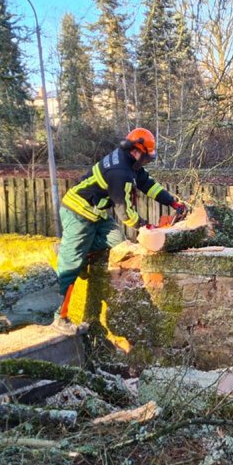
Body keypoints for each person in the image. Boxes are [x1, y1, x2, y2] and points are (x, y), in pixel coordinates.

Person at [52, 128, 188, 328]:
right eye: (146, 158)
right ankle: (59, 317)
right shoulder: (120, 172)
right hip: (78, 213)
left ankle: (76, 251)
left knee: (118, 243)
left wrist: (173, 202)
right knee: (69, 268)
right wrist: (145, 226)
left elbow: (147, 184)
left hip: (97, 214)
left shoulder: (130, 162)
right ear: (136, 151)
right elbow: (125, 212)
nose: (147, 162)